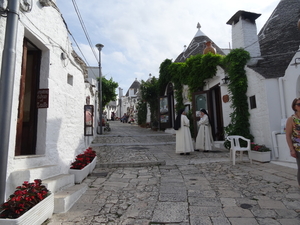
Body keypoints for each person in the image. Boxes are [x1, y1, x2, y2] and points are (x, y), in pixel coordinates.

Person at [286, 97, 300, 187]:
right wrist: (291, 149)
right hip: (298, 148)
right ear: (295, 107)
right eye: (299, 104)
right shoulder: (292, 119)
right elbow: (288, 135)